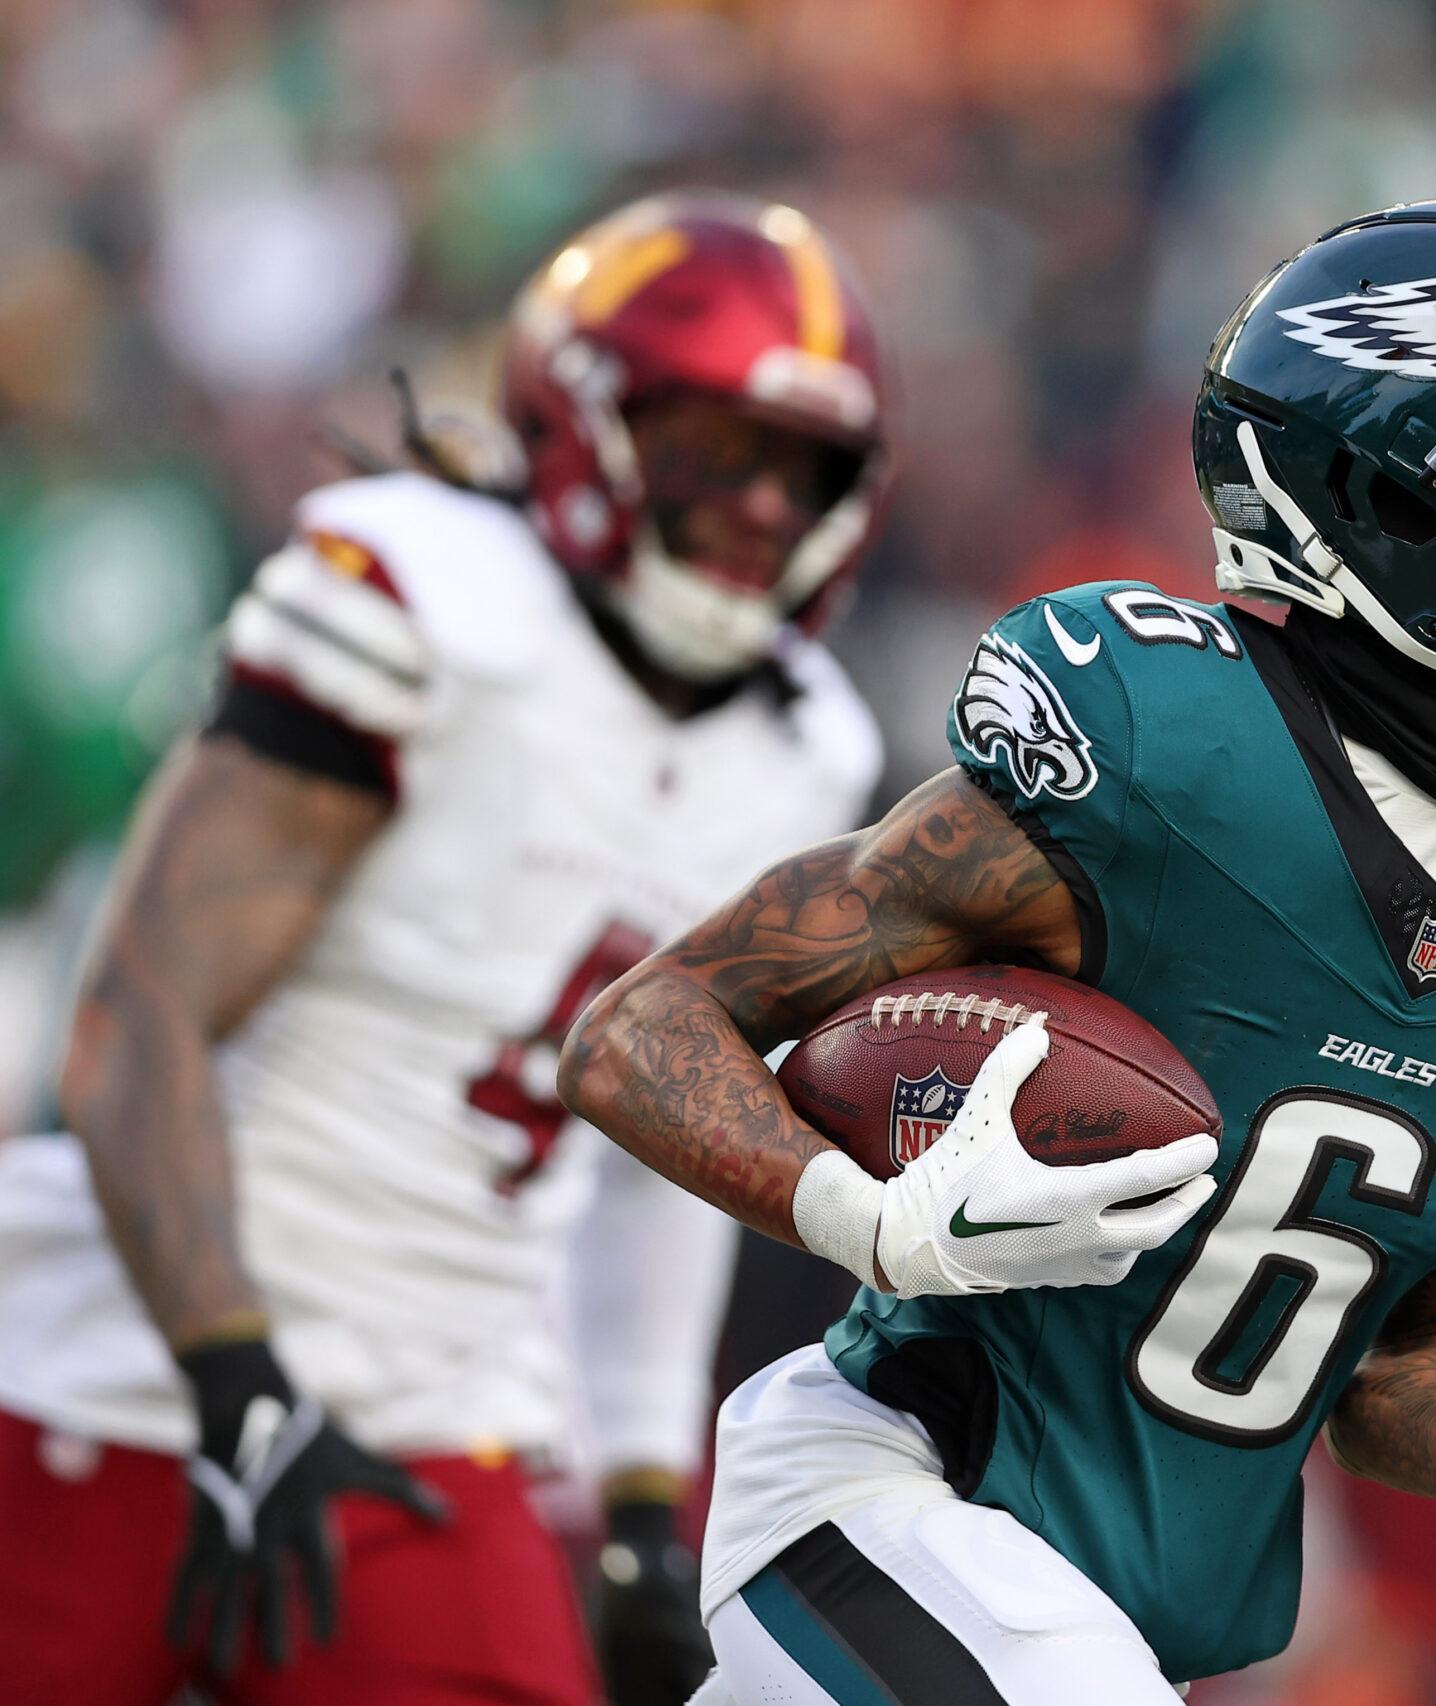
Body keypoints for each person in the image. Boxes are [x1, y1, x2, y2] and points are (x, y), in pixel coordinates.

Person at [557, 200, 1436, 1703]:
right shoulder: (1163, 757)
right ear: (1397, 499)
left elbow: (1393, 1343)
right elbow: (639, 1029)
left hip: (1117, 1629)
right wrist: (868, 1219)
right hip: (877, 1503)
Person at [0, 191, 890, 1706]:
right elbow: (137, 1016)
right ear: (589, 423)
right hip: (116, 1364)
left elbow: (660, 1150)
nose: (755, 506)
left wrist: (631, 1501)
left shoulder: (805, 753)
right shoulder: (427, 600)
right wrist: (236, 1379)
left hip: (437, 1410)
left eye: (794, 468)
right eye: (711, 449)